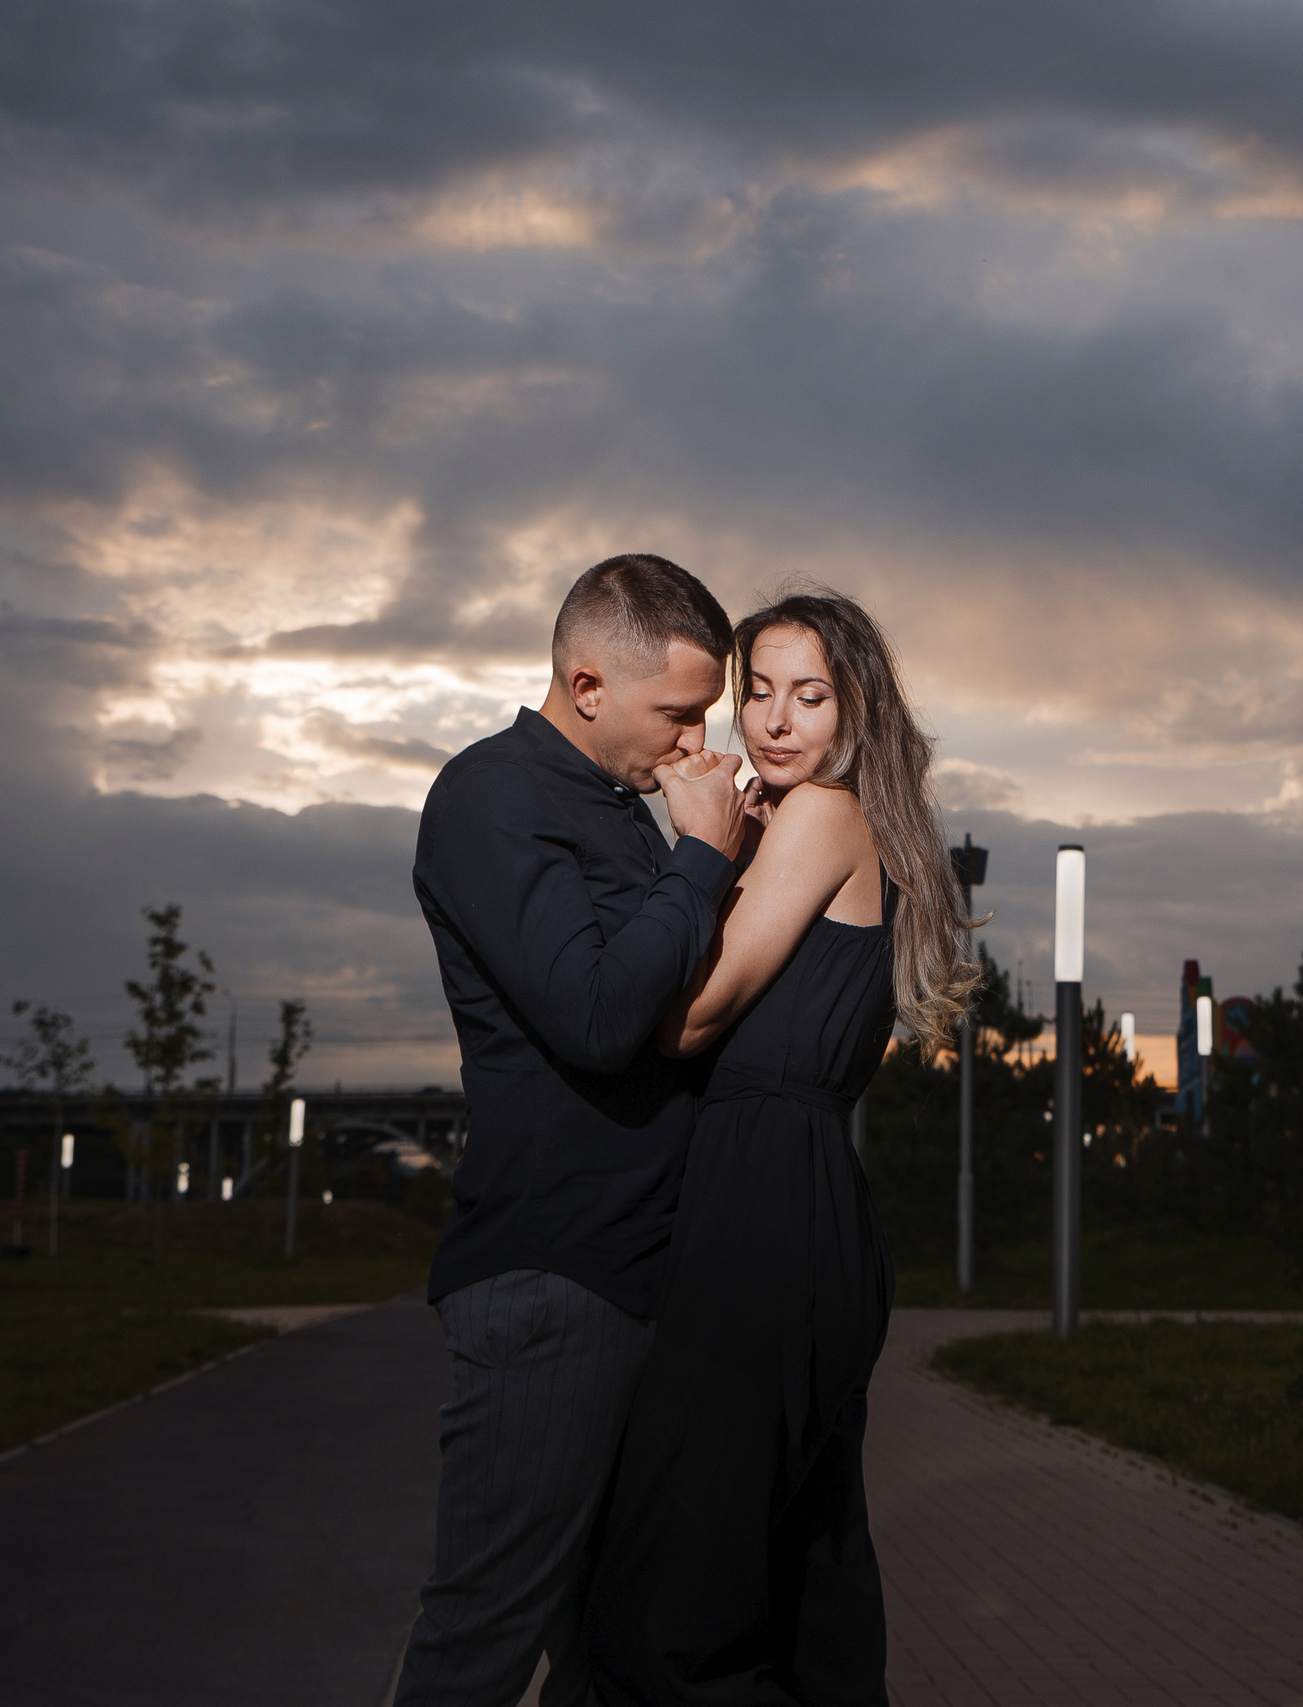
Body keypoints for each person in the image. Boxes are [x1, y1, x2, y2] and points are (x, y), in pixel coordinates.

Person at [583, 589, 977, 1705]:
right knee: (805, 1574)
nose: (774, 719)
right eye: (756, 690)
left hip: (764, 1205)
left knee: (679, 1584)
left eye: (809, 695)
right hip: (798, 1199)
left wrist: (698, 849)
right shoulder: (825, 826)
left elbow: (685, 1016)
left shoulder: (822, 818)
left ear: (856, 711)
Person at [396, 555, 749, 1707]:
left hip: (636, 1272)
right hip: (553, 1276)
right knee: (482, 1640)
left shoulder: (616, 813)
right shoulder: (491, 795)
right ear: (588, 683)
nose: (697, 740)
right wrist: (700, 858)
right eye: (680, 713)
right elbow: (598, 1017)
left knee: (607, 1647)